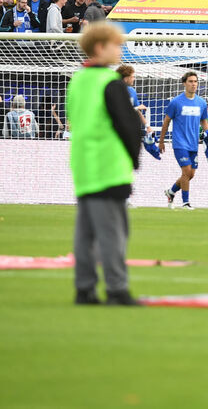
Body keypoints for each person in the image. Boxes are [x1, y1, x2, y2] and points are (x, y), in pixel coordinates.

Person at [66, 23, 142, 306]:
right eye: (116, 44)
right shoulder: (111, 84)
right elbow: (129, 126)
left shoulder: (77, 81)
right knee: (113, 232)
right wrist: (134, 159)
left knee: (85, 233)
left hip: (84, 165)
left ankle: (84, 289)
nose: (119, 49)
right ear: (100, 48)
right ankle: (117, 289)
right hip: (109, 167)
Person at [159, 72, 208, 210]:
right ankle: (185, 203)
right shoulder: (176, 102)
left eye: (195, 81)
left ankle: (171, 192)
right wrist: (161, 141)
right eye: (191, 81)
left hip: (194, 144)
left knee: (190, 174)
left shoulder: (201, 102)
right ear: (184, 83)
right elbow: (166, 121)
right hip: (180, 143)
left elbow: (204, 120)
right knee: (186, 171)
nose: (193, 84)